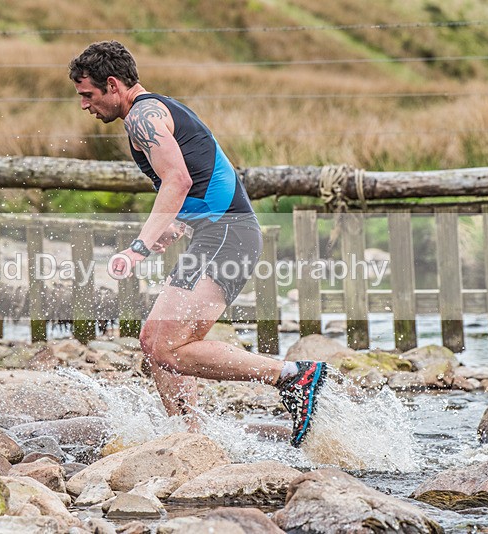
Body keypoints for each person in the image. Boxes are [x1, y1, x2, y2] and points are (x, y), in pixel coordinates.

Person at [69, 40, 327, 447]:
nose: (84, 105)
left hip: (228, 235)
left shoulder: (143, 117)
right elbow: (202, 182)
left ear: (113, 85)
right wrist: (175, 226)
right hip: (217, 233)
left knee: (168, 346)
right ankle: (190, 439)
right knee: (157, 342)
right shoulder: (153, 110)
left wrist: (139, 246)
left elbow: (178, 180)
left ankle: (294, 376)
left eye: (88, 94)